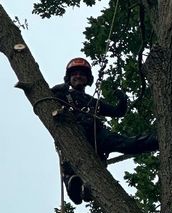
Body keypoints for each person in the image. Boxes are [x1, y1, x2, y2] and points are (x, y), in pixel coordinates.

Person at [52, 57, 159, 204]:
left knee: (125, 143)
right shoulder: (62, 95)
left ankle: (157, 141)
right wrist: (57, 91)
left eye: (82, 74)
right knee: (73, 182)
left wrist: (122, 100)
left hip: (96, 135)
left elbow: (117, 112)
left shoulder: (92, 102)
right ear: (68, 78)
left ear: (87, 79)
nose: (78, 76)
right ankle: (74, 182)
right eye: (74, 74)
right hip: (75, 135)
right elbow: (47, 99)